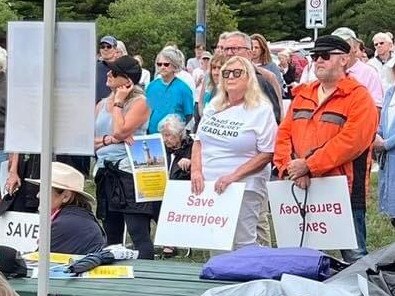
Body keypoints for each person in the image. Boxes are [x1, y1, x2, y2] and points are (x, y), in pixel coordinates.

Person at [274, 35, 378, 263]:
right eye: (314, 56)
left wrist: (308, 167)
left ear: (344, 60)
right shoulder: (304, 93)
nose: (318, 60)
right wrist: (287, 167)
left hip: (344, 189)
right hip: (300, 185)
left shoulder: (359, 97)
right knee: (300, 257)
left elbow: (351, 143)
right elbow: (283, 134)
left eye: (324, 56)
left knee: (355, 259)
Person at [191, 56, 277, 251]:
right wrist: (196, 171)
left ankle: (247, 280)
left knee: (242, 242)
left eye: (237, 73)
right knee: (216, 241)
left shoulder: (261, 110)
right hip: (210, 185)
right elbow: (198, 141)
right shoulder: (214, 105)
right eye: (226, 73)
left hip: (244, 185)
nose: (231, 77)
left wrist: (233, 177)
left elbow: (267, 153)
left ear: (249, 78)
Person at [94, 55, 155, 259]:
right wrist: (108, 139)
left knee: (138, 231)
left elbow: (120, 131)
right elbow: (88, 138)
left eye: (115, 72)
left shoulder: (140, 102)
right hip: (105, 168)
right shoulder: (102, 103)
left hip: (129, 170)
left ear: (127, 81)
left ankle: (147, 276)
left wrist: (119, 103)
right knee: (111, 231)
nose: (109, 74)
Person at [26, 162, 106, 255]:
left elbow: (39, 263)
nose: (38, 195)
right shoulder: (78, 217)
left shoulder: (65, 224)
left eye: (44, 190)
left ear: (66, 196)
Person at [223, 31, 283, 124]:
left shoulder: (265, 77)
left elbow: (274, 116)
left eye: (235, 48)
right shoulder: (221, 77)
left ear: (249, 53)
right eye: (226, 49)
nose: (229, 53)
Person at [157, 114, 194, 257]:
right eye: (163, 135)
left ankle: (170, 242)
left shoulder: (191, 147)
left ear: (179, 134)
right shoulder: (162, 149)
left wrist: (190, 163)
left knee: (172, 201)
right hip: (162, 189)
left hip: (184, 190)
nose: (165, 139)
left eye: (168, 135)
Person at [332, 27, 383, 111]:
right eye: (335, 47)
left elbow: (376, 107)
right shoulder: (327, 71)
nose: (339, 50)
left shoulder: (369, 73)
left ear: (355, 48)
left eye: (344, 46)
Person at [146, 48, 194, 134]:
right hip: (152, 135)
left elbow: (189, 114)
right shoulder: (151, 86)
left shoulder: (184, 88)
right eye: (159, 64)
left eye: (166, 64)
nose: (162, 67)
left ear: (174, 66)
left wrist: (176, 129)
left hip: (173, 138)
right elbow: (146, 110)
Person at [375, 63, 395, 228]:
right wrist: (377, 136)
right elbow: (382, 122)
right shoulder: (390, 92)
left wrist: (386, 143)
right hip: (388, 161)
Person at [96, 35, 118, 104]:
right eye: (102, 47)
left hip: (114, 107)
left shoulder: (121, 68)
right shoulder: (94, 67)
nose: (105, 49)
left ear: (115, 49)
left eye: (109, 46)